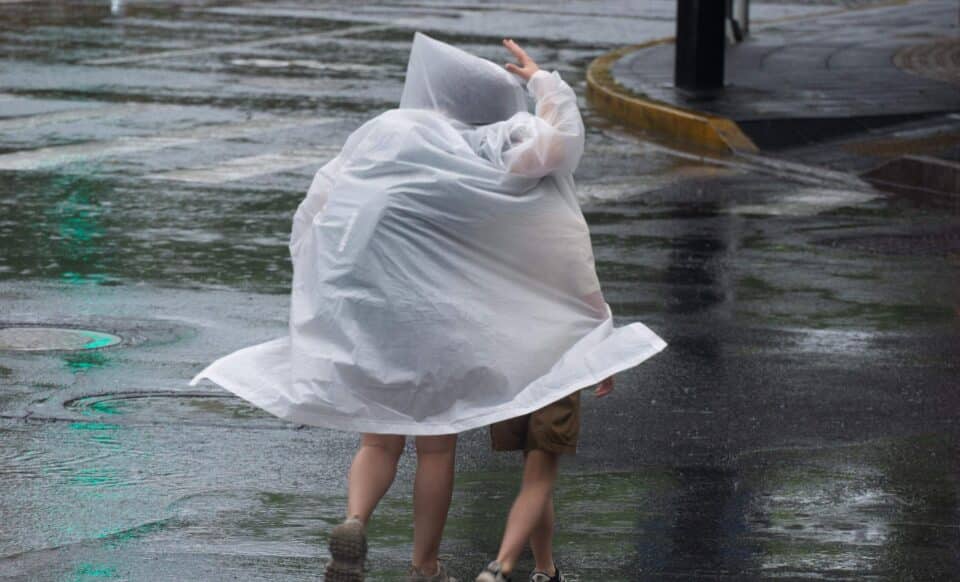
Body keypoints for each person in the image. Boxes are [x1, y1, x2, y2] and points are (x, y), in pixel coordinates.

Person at [189, 32, 666, 582]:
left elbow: (317, 208)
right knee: (435, 448)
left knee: (378, 435)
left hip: (372, 306)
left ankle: (354, 519)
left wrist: (323, 286)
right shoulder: (495, 142)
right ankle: (425, 568)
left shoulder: (386, 132)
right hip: (437, 318)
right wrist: (543, 82)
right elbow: (561, 146)